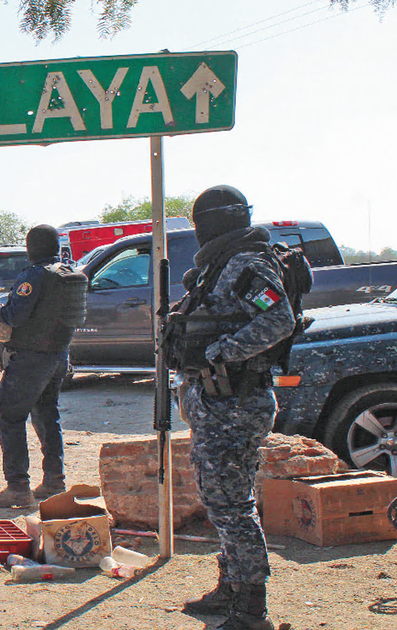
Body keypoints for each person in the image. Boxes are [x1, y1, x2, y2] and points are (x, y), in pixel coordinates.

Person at [171, 185, 296, 630]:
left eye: (201, 222)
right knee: (222, 498)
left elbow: (280, 320)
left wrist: (224, 350)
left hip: (237, 402)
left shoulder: (247, 263)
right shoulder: (221, 264)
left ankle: (250, 609)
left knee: (230, 504)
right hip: (217, 401)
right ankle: (231, 589)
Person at [0, 224, 87, 508]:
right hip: (58, 356)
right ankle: (54, 481)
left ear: (31, 248)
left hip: (30, 358)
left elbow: (13, 317)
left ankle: (17, 488)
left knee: (10, 417)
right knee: (47, 414)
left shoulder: (34, 275)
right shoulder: (69, 273)